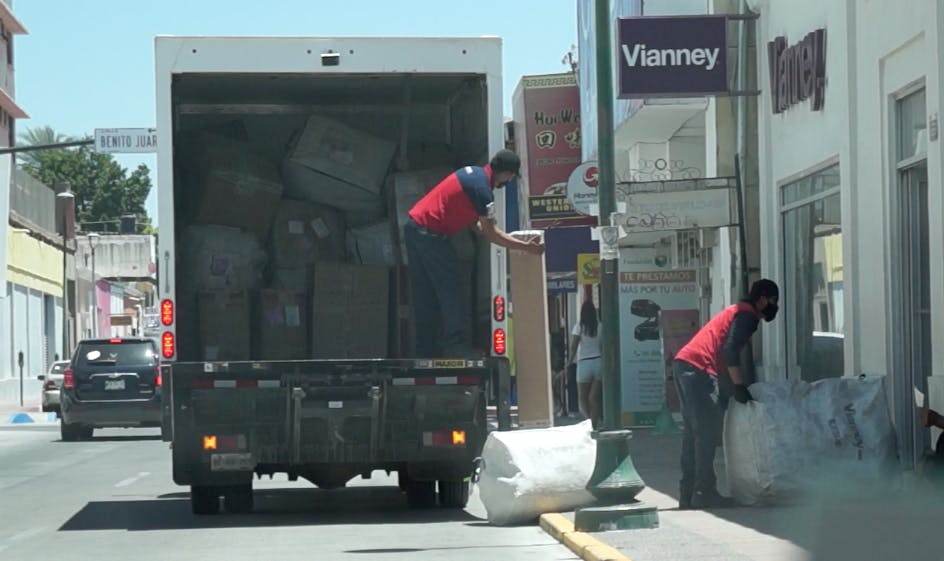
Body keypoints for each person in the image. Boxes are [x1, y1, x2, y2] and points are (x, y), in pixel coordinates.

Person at [405, 149, 544, 357]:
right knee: (451, 288)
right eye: (511, 177)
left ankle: (425, 350)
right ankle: (455, 346)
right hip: (431, 235)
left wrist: (483, 227)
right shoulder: (482, 190)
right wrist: (526, 247)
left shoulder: (473, 175)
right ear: (506, 173)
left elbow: (469, 216)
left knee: (425, 293)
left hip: (415, 228)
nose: (509, 180)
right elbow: (492, 234)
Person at [673, 279, 780, 509]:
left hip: (685, 364)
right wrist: (739, 386)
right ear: (761, 299)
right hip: (698, 368)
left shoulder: (736, 311)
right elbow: (730, 350)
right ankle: (704, 492)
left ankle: (688, 493)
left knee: (693, 433)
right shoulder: (747, 316)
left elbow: (723, 351)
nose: (774, 305)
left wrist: (726, 387)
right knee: (707, 433)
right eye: (772, 300)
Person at [566, 301, 603, 428]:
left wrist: (569, 361)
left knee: (582, 397)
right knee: (594, 398)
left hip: (584, 362)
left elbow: (574, 346)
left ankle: (588, 422)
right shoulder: (599, 326)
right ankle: (595, 423)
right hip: (598, 361)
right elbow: (603, 346)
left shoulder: (579, 326)